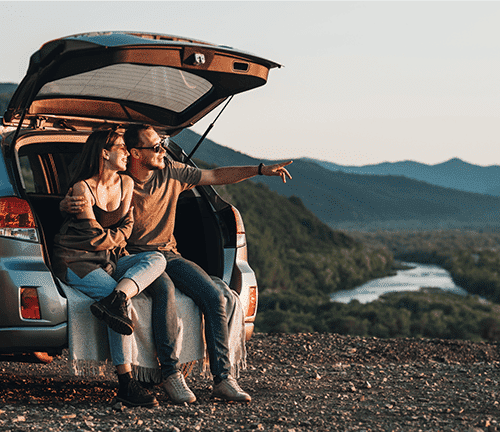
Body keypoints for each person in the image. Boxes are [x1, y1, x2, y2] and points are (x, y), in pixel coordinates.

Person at [62, 124, 292, 404]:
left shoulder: (171, 171)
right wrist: (66, 204)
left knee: (215, 295)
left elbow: (216, 175)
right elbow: (91, 193)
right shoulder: (119, 178)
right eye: (155, 147)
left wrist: (260, 169)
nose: (162, 150)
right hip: (132, 257)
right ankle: (171, 374)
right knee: (165, 292)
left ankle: (223, 378)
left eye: (162, 145)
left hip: (168, 253)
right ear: (135, 153)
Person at [53, 129, 167, 408]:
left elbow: (126, 230)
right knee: (124, 311)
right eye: (121, 148)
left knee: (157, 260)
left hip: (108, 259)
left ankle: (117, 297)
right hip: (75, 259)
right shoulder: (83, 188)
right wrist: (115, 237)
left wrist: (115, 238)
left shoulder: (127, 183)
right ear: (104, 152)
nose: (127, 153)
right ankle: (127, 384)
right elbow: (93, 236)